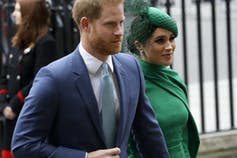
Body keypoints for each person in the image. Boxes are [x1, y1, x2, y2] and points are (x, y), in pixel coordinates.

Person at [11, 0, 170, 158]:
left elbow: (149, 134)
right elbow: (23, 145)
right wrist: (85, 157)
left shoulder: (131, 68)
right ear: (85, 24)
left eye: (121, 22)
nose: (119, 31)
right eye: (110, 24)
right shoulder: (54, 78)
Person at [127, 6, 200, 158]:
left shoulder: (174, 79)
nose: (169, 47)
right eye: (160, 40)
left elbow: (185, 137)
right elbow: (128, 146)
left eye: (171, 38)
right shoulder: (131, 83)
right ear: (139, 45)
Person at [0, 0, 57, 158]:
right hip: (10, 117)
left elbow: (40, 80)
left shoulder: (46, 43)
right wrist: (4, 104)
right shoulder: (17, 41)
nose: (13, 14)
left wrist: (14, 104)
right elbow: (5, 74)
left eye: (17, 10)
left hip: (28, 115)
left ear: (28, 15)